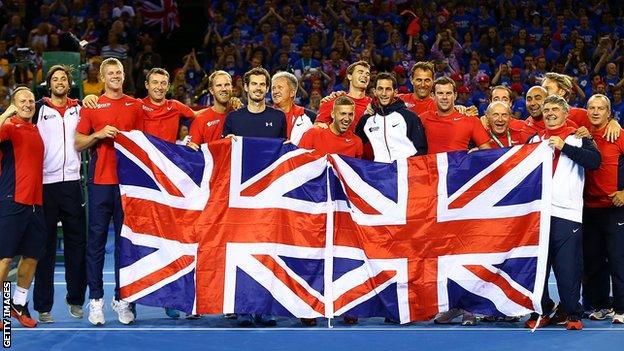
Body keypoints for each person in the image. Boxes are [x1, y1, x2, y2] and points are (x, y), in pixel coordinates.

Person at [75, 57, 144, 326]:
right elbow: (79, 142)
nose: (116, 76)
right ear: (102, 78)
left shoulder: (135, 106)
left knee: (126, 245)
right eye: (110, 73)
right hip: (101, 182)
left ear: (124, 76)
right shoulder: (92, 106)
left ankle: (123, 299)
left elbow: (147, 142)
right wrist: (98, 134)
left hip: (128, 185)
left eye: (119, 72)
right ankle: (95, 301)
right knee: (96, 243)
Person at [525, 95, 601, 331]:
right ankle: (544, 310)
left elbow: (594, 161)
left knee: (568, 267)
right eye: (546, 109)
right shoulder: (534, 139)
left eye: (555, 109)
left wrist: (564, 146)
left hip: (567, 213)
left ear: (565, 112)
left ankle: (572, 312)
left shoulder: (579, 138)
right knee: (535, 267)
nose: (549, 113)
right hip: (536, 215)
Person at [32, 65, 86, 324]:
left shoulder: (80, 109)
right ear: (49, 85)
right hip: (46, 185)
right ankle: (43, 306)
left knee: (77, 245)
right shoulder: (39, 110)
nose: (60, 82)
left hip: (73, 184)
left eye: (64, 78)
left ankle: (76, 300)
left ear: (69, 82)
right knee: (45, 247)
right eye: (55, 79)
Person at [0, 86, 45, 328]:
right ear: (14, 104)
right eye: (22, 101)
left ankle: (17, 305)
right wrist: (6, 113)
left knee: (31, 257)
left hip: (36, 204)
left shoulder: (35, 128)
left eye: (30, 100)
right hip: (11, 199)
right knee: (4, 259)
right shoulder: (8, 126)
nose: (28, 104)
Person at [582, 94, 624, 324]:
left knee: (618, 260)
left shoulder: (619, 134)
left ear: (609, 113)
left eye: (601, 108)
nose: (596, 112)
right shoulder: (581, 133)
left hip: (614, 208)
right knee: (594, 260)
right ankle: (600, 305)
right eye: (592, 108)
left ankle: (622, 308)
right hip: (588, 208)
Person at [355, 72, 427, 162]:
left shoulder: (409, 116)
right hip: (382, 173)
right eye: (380, 89)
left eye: (388, 89)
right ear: (375, 92)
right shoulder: (367, 120)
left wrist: (406, 167)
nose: (384, 93)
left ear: (395, 92)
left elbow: (421, 149)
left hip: (406, 172)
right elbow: (353, 145)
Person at [419, 76, 491, 155]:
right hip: (433, 166)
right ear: (433, 96)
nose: (444, 97)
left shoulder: (470, 120)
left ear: (455, 96)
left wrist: (477, 151)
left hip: (460, 166)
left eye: (448, 93)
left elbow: (487, 151)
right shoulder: (423, 119)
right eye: (440, 93)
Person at [222, 67, 286, 140]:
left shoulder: (279, 117)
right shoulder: (232, 118)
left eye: (262, 84)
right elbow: (225, 149)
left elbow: (283, 147)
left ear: (267, 88)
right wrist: (227, 142)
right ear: (246, 87)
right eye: (254, 84)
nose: (258, 88)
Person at [314, 61, 372, 132]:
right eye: (360, 72)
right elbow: (318, 126)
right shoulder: (334, 100)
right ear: (349, 76)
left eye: (367, 74)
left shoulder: (374, 105)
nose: (365, 76)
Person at [271, 71, 314, 145]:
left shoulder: (310, 117)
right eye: (273, 88)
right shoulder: (265, 115)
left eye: (280, 87)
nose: (275, 91)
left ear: (292, 92)